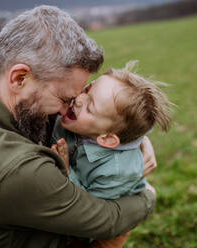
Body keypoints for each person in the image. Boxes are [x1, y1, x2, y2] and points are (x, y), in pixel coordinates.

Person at [0, 5, 156, 248]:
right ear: (19, 78)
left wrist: (134, 140)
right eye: (64, 99)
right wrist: (148, 195)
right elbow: (107, 219)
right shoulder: (20, 171)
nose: (68, 109)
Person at [51, 61, 172, 247]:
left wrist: (67, 172)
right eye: (87, 90)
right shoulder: (79, 123)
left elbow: (93, 210)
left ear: (107, 139)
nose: (79, 99)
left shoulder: (116, 171)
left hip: (110, 225)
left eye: (90, 108)